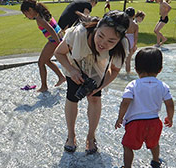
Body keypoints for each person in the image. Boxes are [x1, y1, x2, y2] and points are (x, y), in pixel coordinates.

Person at [54, 10, 129, 154]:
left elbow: (114, 70)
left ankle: (91, 136)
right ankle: (71, 135)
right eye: (100, 36)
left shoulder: (122, 45)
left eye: (111, 41)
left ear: (119, 40)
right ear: (97, 28)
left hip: (97, 67)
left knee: (95, 98)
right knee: (72, 97)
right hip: (74, 65)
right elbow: (58, 53)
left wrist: (100, 86)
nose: (103, 43)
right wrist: (71, 70)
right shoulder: (79, 34)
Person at [115, 47, 174, 168]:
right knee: (154, 143)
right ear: (160, 69)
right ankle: (155, 160)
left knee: (128, 146)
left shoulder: (133, 85)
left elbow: (125, 102)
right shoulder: (162, 85)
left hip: (135, 123)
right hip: (154, 122)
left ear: (136, 69)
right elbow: (169, 104)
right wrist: (170, 117)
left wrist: (120, 118)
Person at [20, 0, 66, 92]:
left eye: (26, 14)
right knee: (46, 61)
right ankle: (61, 77)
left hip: (54, 41)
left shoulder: (39, 18)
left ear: (30, 9)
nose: (27, 16)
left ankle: (44, 86)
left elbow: (51, 30)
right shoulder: (43, 13)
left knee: (41, 62)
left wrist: (58, 45)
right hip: (56, 39)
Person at [124, 8, 140, 73]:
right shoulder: (135, 25)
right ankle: (128, 72)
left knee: (119, 57)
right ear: (134, 15)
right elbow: (136, 37)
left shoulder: (124, 23)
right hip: (131, 40)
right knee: (128, 60)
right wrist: (134, 45)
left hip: (124, 39)